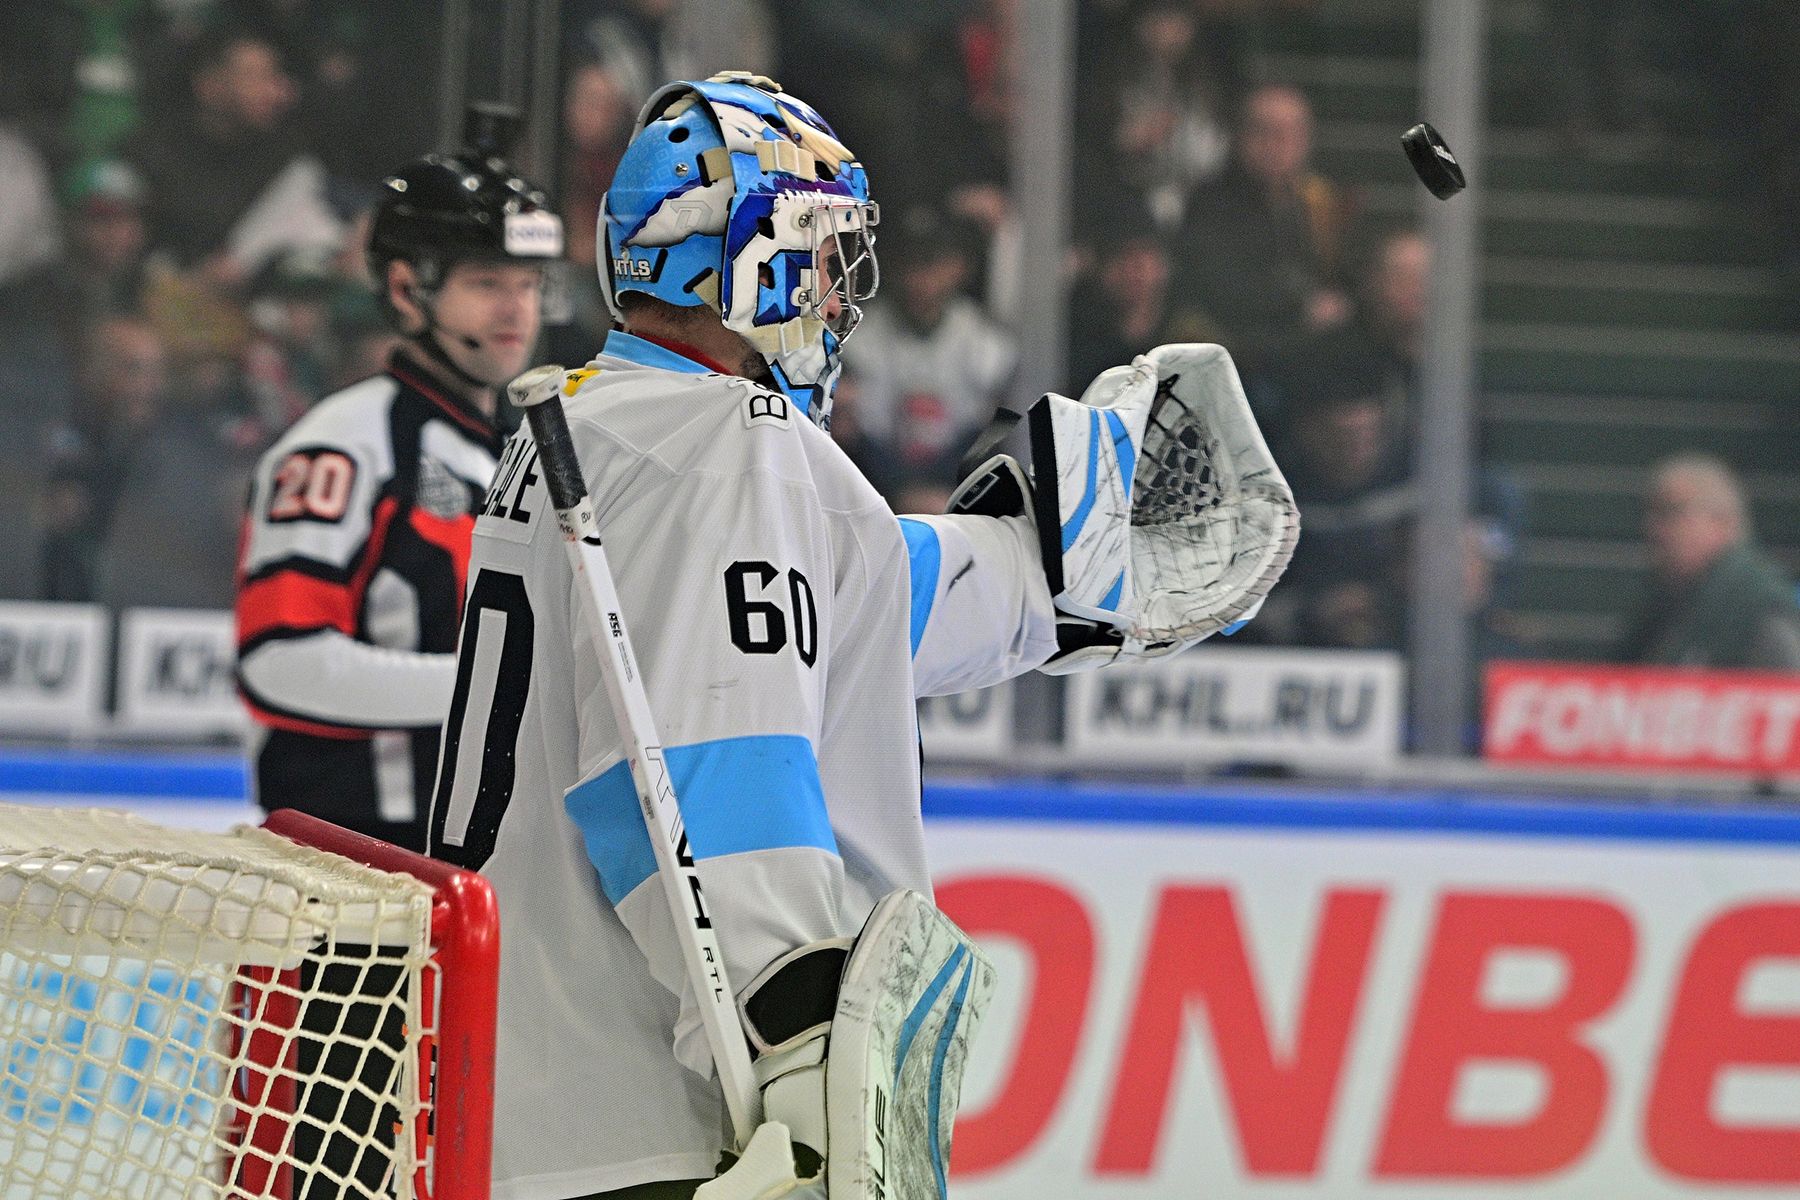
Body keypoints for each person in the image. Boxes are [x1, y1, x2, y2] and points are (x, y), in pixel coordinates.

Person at [427, 73, 1068, 1200]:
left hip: (525, 1098)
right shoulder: (724, 443)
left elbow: (849, 602)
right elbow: (700, 780)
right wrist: (803, 1067)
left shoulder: (598, 416)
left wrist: (1049, 580)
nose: (835, 291)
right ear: (753, 258)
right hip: (640, 1126)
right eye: (820, 250)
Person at [235, 114, 562, 851]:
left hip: (481, 859)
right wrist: (494, 688)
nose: (517, 309)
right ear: (407, 290)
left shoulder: (525, 447)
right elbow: (279, 659)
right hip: (347, 868)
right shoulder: (340, 447)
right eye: (486, 282)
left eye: (529, 283)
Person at [1619, 454, 1800, 669]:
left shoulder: (1756, 606)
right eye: (1653, 515)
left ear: (1721, 521)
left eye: (1672, 512)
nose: (1655, 529)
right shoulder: (1666, 602)